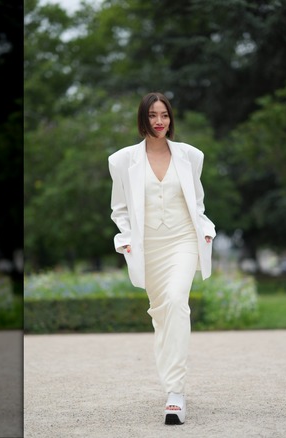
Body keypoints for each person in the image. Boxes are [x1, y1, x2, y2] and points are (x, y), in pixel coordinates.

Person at [108, 92, 216, 425]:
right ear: (143, 118)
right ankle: (171, 384)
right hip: (148, 247)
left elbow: (197, 202)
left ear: (171, 118)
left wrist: (206, 229)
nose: (159, 121)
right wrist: (126, 239)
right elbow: (119, 209)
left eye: (164, 115)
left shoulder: (191, 155)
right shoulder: (121, 160)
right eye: (153, 115)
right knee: (161, 315)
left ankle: (176, 393)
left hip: (183, 239)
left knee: (176, 301)